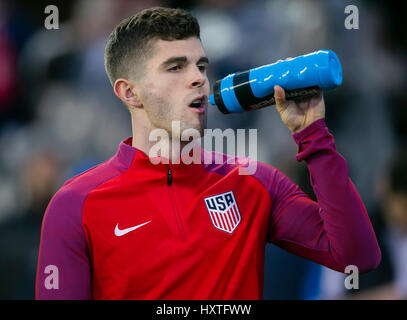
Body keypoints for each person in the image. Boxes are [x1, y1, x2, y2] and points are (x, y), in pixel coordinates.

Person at [36, 7, 381, 300]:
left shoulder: (256, 182)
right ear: (129, 92)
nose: (199, 79)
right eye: (175, 68)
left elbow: (357, 256)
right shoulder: (75, 205)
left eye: (200, 65)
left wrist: (313, 135)